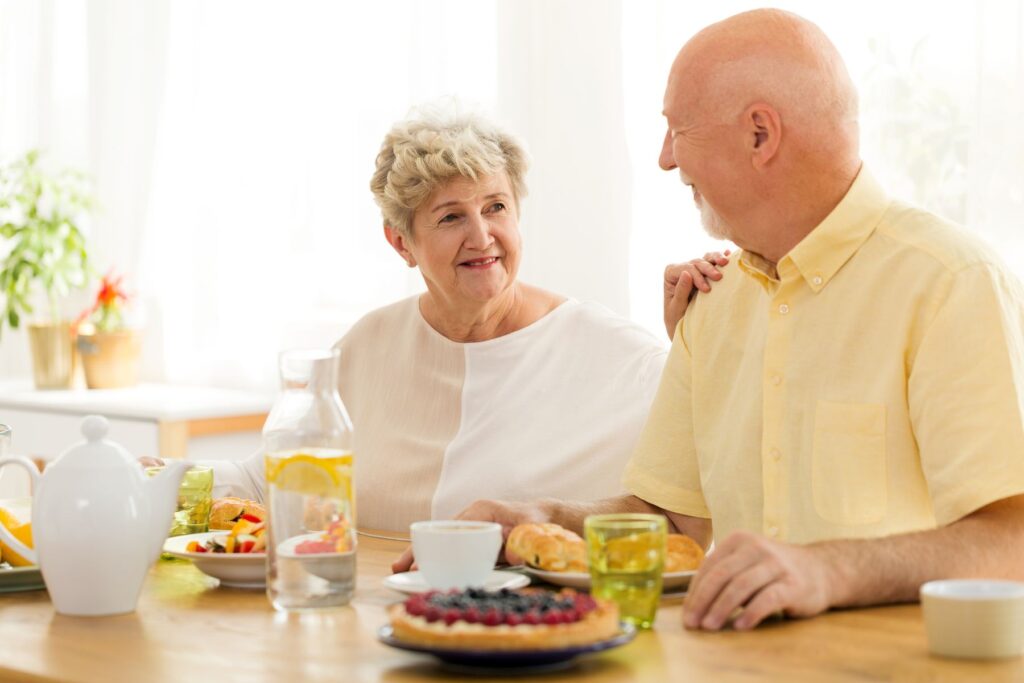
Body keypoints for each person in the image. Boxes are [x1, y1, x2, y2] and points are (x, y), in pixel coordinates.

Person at [438, 9, 1024, 630]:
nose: (664, 159)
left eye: (677, 129)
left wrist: (827, 570)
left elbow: (1010, 543)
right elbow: (673, 524)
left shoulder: (950, 282)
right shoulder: (713, 300)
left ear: (759, 135)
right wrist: (544, 518)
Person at [174, 109, 726, 532]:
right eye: (451, 217)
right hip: (370, 626)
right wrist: (159, 476)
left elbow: (699, 482)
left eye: (495, 207)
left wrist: (693, 341)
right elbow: (264, 483)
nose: (482, 237)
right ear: (401, 243)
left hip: (529, 629)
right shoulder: (369, 344)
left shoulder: (611, 352)